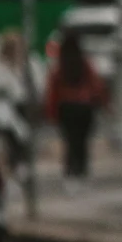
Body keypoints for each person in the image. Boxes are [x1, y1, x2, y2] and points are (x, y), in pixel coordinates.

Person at [45, 28, 108, 180]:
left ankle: (71, 169)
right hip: (84, 107)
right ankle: (82, 168)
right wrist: (103, 103)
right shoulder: (84, 63)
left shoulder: (60, 66)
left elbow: (53, 90)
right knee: (82, 140)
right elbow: (96, 85)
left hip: (66, 107)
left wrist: (51, 112)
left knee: (70, 140)